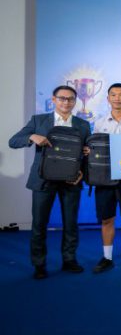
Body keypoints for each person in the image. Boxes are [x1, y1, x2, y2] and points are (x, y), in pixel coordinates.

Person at [9, 85, 90, 279]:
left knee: (71, 223)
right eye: (62, 98)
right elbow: (13, 141)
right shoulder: (38, 121)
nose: (66, 102)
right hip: (43, 180)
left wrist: (84, 169)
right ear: (53, 100)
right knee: (39, 224)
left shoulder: (83, 125)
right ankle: (39, 264)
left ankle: (69, 260)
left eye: (70, 99)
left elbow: (87, 154)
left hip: (71, 180)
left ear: (75, 101)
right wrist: (31, 136)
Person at [86, 83, 121, 273]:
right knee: (106, 220)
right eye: (113, 95)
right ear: (108, 98)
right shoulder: (99, 123)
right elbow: (94, 150)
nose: (117, 98)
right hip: (104, 178)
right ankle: (107, 258)